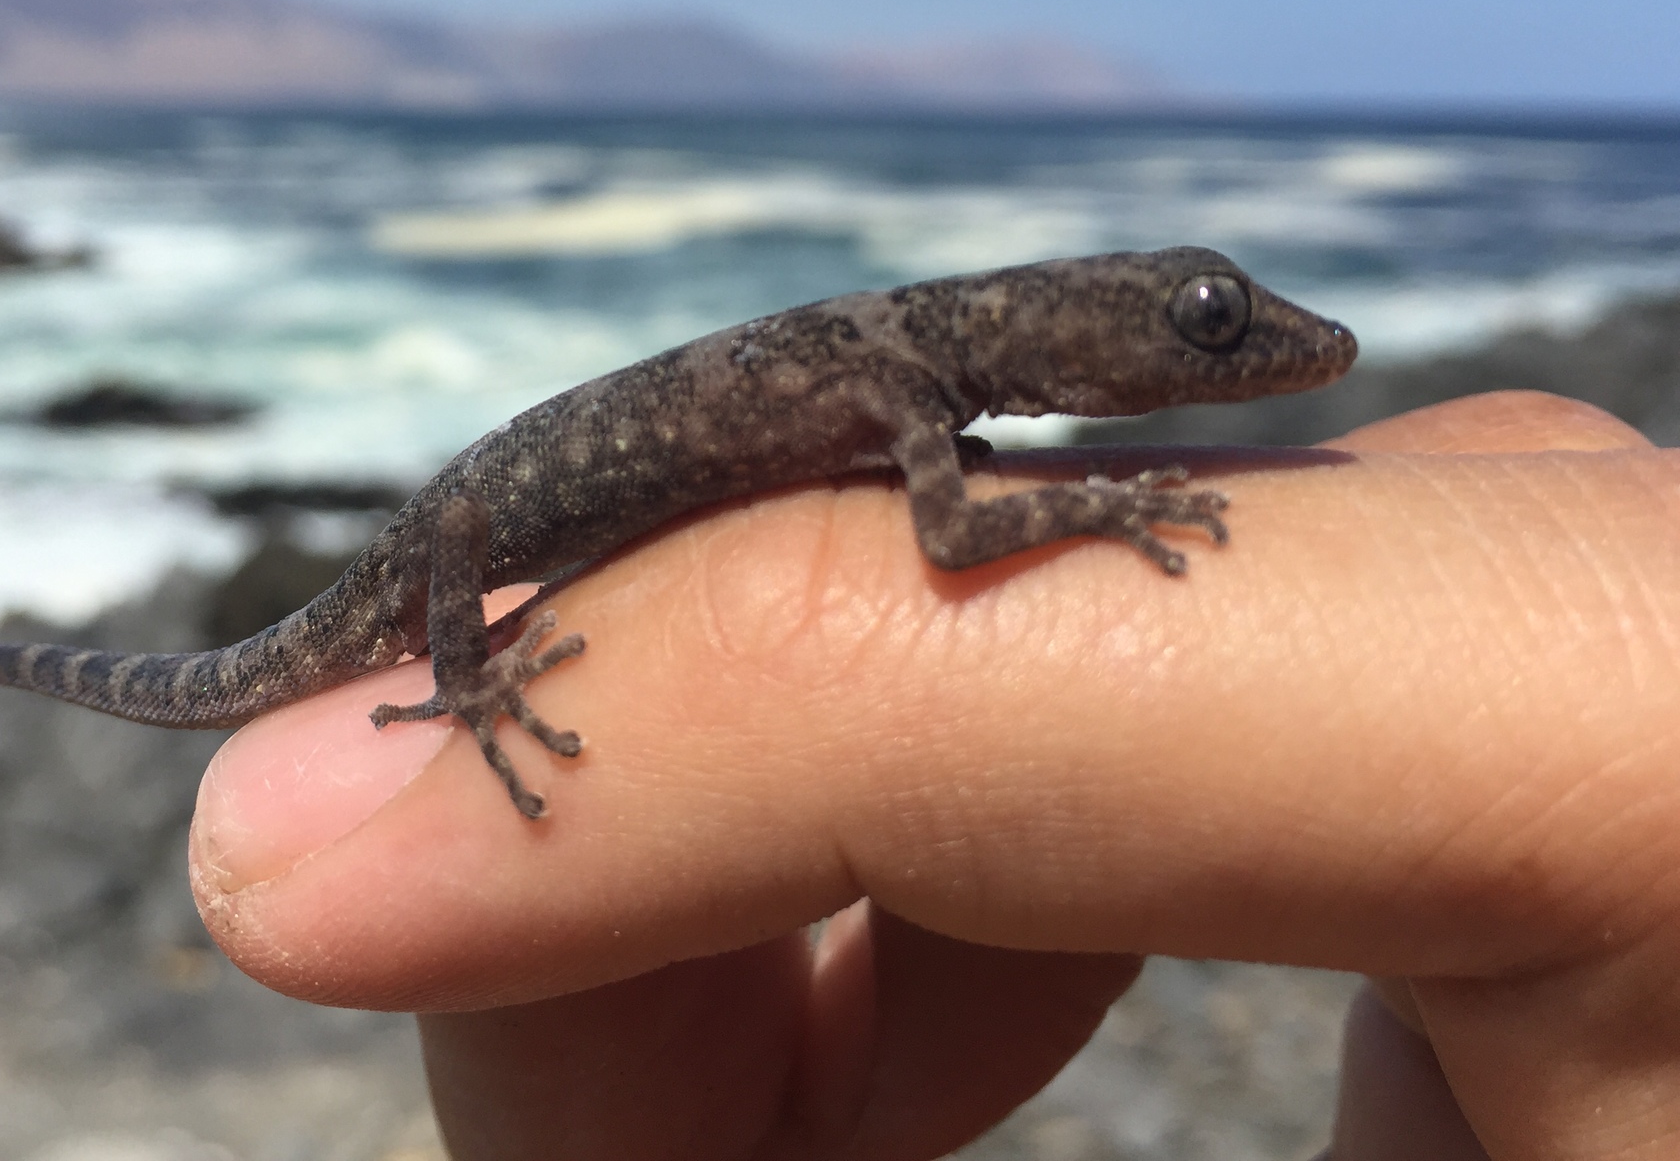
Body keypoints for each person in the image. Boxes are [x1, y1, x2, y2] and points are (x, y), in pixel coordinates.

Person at [189, 391, 1680, 1160]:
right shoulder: (905, 394)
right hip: (442, 557)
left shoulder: (915, 395)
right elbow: (955, 542)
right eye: (1208, 326)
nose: (1259, 352)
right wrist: (1103, 500)